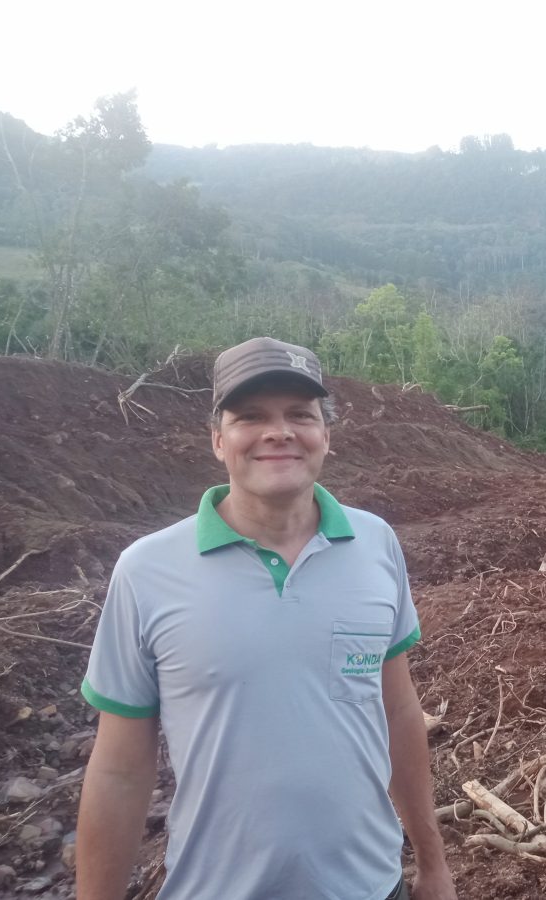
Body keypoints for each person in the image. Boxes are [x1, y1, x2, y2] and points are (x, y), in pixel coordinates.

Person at [76, 337, 457, 900]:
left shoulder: (377, 545)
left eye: (299, 414)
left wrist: (433, 863)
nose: (278, 431)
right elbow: (119, 772)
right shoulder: (147, 571)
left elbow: (398, 711)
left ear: (324, 435)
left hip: (373, 888)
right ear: (218, 440)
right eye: (250, 416)